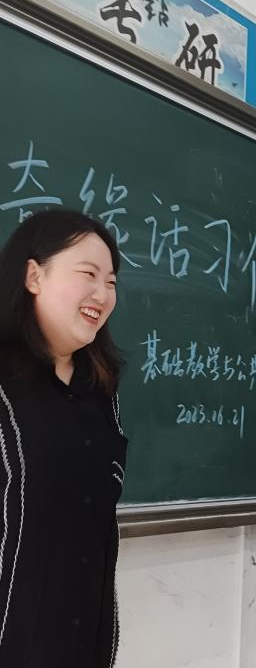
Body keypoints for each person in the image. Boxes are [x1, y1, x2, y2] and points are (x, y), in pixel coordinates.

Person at [0, 209, 127, 667]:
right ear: (34, 276)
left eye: (111, 281)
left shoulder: (100, 389)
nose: (103, 294)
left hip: (85, 642)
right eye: (88, 274)